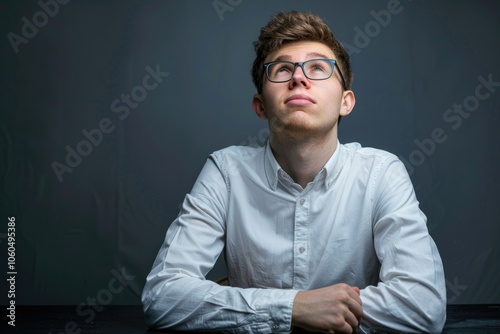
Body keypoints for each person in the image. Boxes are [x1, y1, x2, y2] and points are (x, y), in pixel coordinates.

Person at [142, 11, 446, 334]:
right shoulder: (226, 172)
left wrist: (256, 306)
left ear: (346, 102)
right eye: (282, 69)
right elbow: (163, 295)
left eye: (318, 68)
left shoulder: (382, 174)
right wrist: (295, 308)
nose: (298, 77)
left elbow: (423, 305)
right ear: (260, 106)